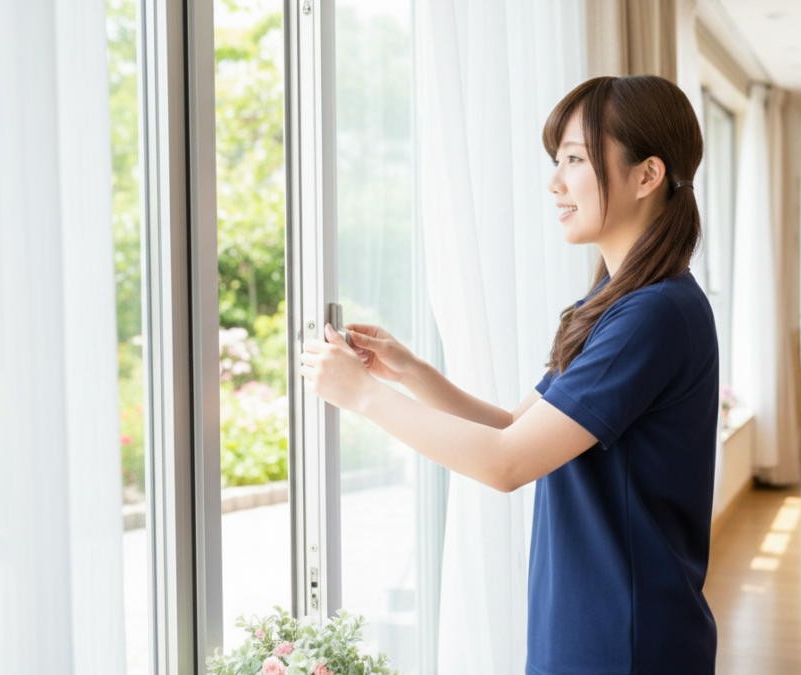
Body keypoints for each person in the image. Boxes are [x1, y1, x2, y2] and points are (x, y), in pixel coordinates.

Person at [299, 75, 718, 675]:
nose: (554, 182)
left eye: (574, 159)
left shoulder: (651, 314)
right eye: (557, 160)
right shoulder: (617, 300)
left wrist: (363, 398)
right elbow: (515, 427)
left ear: (647, 175)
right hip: (594, 625)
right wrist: (409, 373)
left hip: (623, 640)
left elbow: (506, 464)